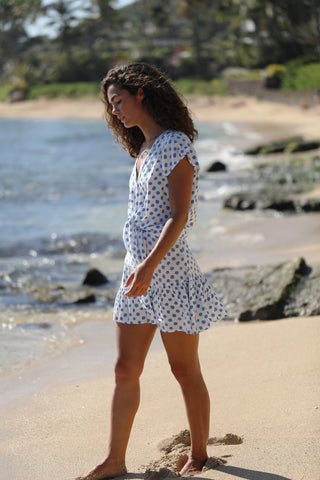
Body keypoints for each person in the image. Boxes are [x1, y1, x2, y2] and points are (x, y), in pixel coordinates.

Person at [76, 63, 226, 480]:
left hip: (169, 272)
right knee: (125, 369)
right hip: (134, 273)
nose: (116, 112)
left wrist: (149, 264)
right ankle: (114, 460)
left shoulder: (175, 144)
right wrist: (137, 267)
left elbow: (178, 217)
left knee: (184, 369)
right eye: (111, 106)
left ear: (141, 92)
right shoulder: (142, 149)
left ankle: (199, 454)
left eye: (119, 101)